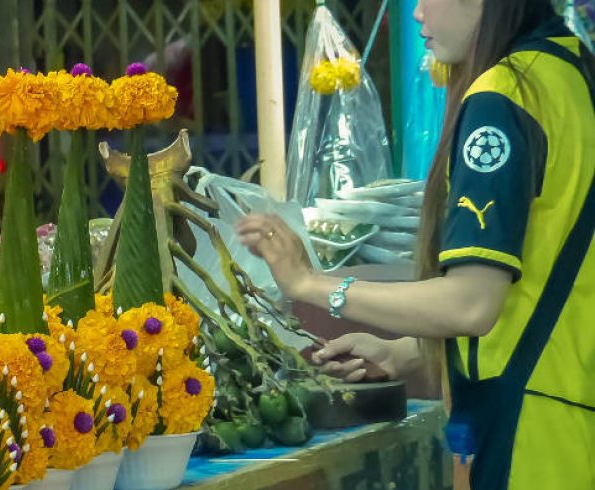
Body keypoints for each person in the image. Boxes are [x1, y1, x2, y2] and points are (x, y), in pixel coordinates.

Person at [237, 0, 595, 489]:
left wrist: (314, 283)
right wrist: (408, 352)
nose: (418, 13)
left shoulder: (505, 96)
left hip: (536, 435)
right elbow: (548, 276)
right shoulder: (572, 70)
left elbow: (471, 302)